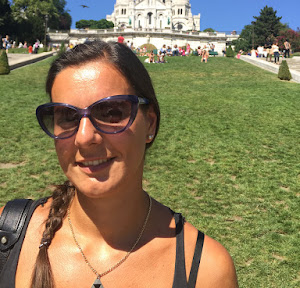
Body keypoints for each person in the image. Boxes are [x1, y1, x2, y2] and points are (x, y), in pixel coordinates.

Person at [0, 41, 238, 288]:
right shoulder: (8, 235)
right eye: (67, 117)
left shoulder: (208, 272)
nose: (84, 137)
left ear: (150, 124)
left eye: (111, 112)